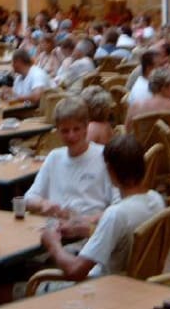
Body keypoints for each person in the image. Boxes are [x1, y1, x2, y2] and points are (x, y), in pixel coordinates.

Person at [41, 134, 165, 280]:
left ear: (110, 170)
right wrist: (92, 230)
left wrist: (53, 244)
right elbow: (125, 237)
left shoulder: (116, 214)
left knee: (25, 285)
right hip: (141, 284)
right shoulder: (157, 199)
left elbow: (76, 270)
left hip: (105, 287)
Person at [24, 97, 117, 234]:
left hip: (89, 233)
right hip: (55, 231)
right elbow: (29, 198)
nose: (71, 136)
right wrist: (43, 204)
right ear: (57, 131)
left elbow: (118, 206)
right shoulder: (54, 157)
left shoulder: (105, 157)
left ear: (86, 127)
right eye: (65, 131)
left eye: (76, 129)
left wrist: (88, 221)